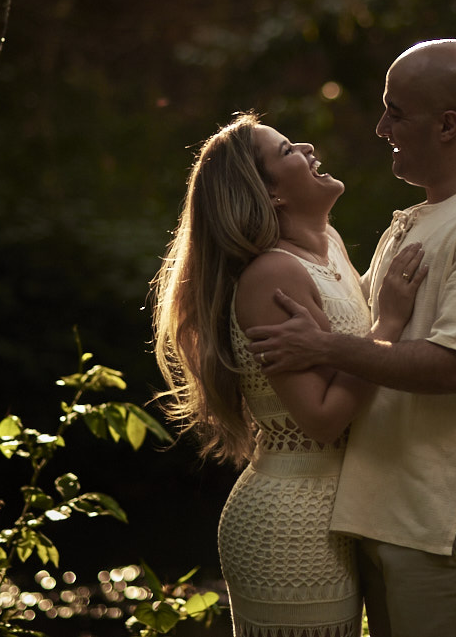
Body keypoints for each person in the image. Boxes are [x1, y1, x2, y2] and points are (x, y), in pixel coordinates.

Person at [246, 39, 456, 637]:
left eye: (396, 112)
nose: (381, 126)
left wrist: (326, 348)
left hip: (443, 528)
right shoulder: (418, 218)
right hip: (381, 515)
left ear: (447, 126)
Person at [150, 111, 428, 637]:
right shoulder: (272, 275)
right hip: (290, 520)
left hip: (344, 511)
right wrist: (386, 325)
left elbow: (347, 350)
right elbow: (321, 420)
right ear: (271, 194)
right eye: (286, 152)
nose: (306, 146)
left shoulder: (332, 248)